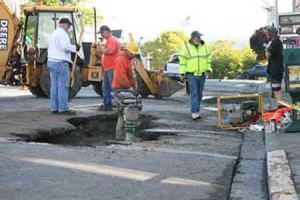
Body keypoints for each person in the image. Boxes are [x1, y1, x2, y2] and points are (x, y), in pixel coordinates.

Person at [47, 18, 80, 114]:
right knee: (62, 86)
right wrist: (75, 48)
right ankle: (63, 108)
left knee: (54, 86)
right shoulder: (63, 34)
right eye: (69, 26)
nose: (68, 28)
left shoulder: (53, 33)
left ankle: (54, 107)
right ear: (65, 24)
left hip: (51, 61)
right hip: (60, 62)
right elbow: (65, 46)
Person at [179, 31, 212, 120]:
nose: (199, 39)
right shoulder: (186, 48)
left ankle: (196, 109)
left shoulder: (204, 47)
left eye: (199, 37)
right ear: (193, 38)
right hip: (191, 75)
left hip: (202, 75)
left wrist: (209, 70)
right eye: (197, 37)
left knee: (199, 94)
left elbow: (208, 59)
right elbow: (182, 62)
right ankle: (195, 112)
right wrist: (182, 73)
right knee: (194, 93)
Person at [97, 25, 120, 111]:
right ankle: (107, 105)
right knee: (105, 87)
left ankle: (118, 105)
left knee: (113, 87)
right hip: (108, 68)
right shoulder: (108, 41)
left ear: (106, 31)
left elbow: (110, 51)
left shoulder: (112, 40)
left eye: (102, 33)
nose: (102, 35)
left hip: (112, 68)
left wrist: (101, 50)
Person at [265, 26, 284, 101]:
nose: (266, 36)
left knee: (276, 88)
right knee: (275, 87)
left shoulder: (275, 42)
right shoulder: (276, 41)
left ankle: (279, 106)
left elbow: (267, 55)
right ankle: (279, 105)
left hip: (275, 69)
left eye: (267, 34)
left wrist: (266, 49)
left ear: (270, 34)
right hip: (276, 68)